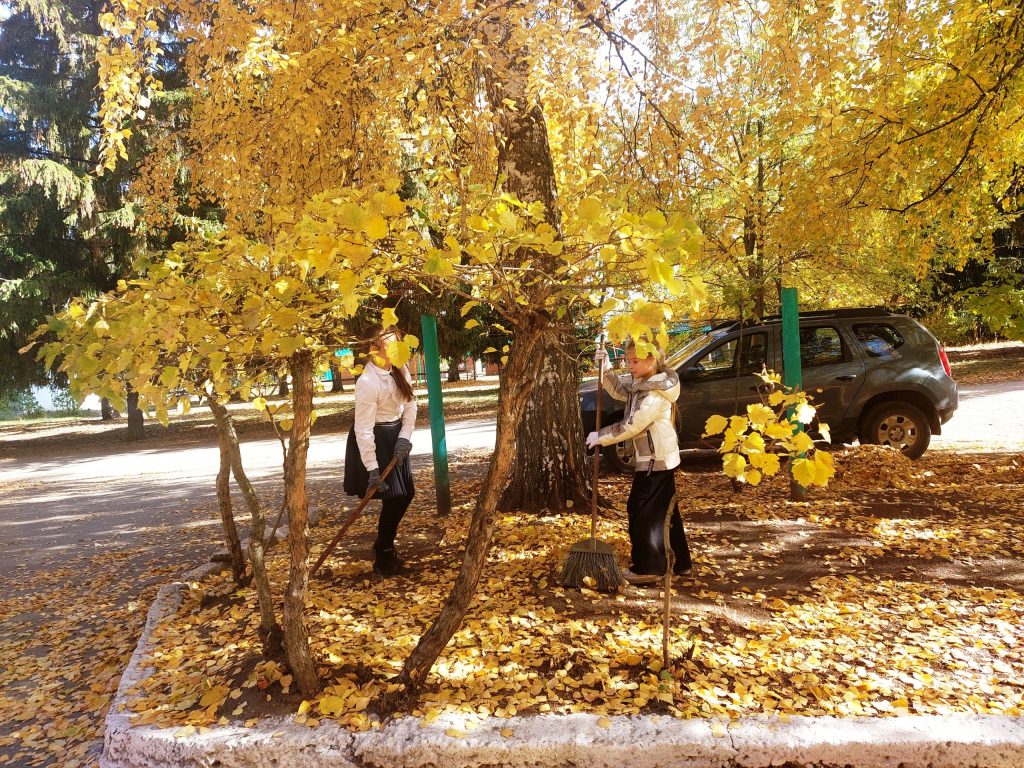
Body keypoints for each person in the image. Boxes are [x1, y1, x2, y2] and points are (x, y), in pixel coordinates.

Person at [586, 340, 692, 586]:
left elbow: (632, 424)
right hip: (660, 457)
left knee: (642, 511)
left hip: (655, 461)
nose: (630, 366)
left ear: (651, 360)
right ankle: (682, 563)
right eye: (627, 360)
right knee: (666, 511)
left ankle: (650, 567)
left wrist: (600, 435)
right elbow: (620, 391)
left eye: (634, 361)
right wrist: (606, 369)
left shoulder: (654, 393)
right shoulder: (645, 384)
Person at [343, 328, 418, 575]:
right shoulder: (367, 382)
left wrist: (405, 438)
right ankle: (384, 556)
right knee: (394, 497)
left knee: (406, 494)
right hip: (374, 440)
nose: (397, 348)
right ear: (375, 347)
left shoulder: (400, 368)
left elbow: (411, 407)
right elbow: (363, 429)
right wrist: (372, 468)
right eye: (390, 344)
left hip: (395, 437)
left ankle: (382, 546)